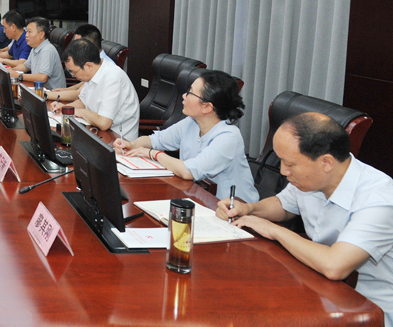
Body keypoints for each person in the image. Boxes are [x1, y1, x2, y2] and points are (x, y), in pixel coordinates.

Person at [218, 113, 393, 325]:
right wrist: (249, 208)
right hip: (320, 290)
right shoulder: (313, 179)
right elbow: (283, 205)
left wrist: (274, 230)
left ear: (326, 162)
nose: (283, 171)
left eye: (289, 164)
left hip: (371, 311)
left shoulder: (378, 199)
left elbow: (335, 265)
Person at [115, 70, 259, 202]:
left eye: (190, 93)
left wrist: (153, 154)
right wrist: (132, 145)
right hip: (199, 196)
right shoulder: (191, 123)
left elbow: (188, 171)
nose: (184, 95)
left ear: (207, 107)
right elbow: (155, 140)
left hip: (234, 210)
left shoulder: (228, 137)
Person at [51, 38, 139, 138]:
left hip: (117, 140)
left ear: (89, 66)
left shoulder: (112, 78)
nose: (74, 76)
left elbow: (103, 122)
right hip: (95, 132)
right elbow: (83, 102)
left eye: (74, 72)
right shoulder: (93, 74)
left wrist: (79, 112)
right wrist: (66, 108)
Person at [46, 23, 114, 102]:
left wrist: (45, 94)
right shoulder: (93, 61)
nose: (73, 46)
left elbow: (79, 94)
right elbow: (83, 87)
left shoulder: (104, 67)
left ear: (87, 45)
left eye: (77, 43)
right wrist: (66, 90)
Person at [6, 17, 65, 90]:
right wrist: (11, 71)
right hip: (38, 89)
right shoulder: (35, 48)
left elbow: (43, 77)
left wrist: (18, 75)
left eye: (29, 32)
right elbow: (26, 66)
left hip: (52, 93)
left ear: (41, 34)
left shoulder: (47, 50)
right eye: (26, 32)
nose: (26, 35)